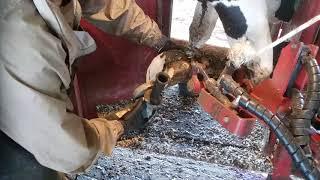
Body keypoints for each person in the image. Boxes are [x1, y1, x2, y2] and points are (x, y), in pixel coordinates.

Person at [0, 0, 176, 178]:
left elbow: (104, 3)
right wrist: (119, 127)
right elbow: (68, 150)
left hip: (34, 103)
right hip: (10, 141)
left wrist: (157, 39)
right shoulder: (25, 39)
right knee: (33, 166)